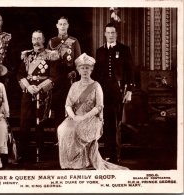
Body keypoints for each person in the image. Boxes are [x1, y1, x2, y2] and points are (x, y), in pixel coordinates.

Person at [57, 53, 128, 170]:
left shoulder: (96, 86)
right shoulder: (74, 86)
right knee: (63, 128)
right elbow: (68, 105)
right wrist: (74, 116)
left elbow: (99, 107)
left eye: (87, 68)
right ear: (78, 70)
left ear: (91, 70)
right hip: (75, 117)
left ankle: (82, 162)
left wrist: (83, 118)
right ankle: (69, 162)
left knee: (76, 130)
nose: (84, 71)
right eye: (82, 68)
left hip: (91, 118)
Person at [91, 22, 134, 163]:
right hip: (103, 92)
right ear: (104, 34)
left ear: (116, 34)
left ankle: (117, 155)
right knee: (106, 122)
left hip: (118, 92)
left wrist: (130, 91)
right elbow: (96, 74)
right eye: (108, 32)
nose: (110, 35)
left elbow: (130, 72)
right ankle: (108, 154)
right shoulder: (100, 51)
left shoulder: (124, 49)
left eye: (113, 32)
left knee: (116, 123)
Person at [17, 30, 59, 161]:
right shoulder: (26, 55)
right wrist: (28, 87)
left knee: (40, 123)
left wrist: (39, 88)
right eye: (34, 38)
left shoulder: (51, 55)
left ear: (44, 40)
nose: (36, 41)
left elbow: (54, 77)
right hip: (28, 92)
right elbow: (20, 74)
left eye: (39, 38)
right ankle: (23, 153)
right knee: (24, 122)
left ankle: (40, 153)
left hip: (43, 93)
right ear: (31, 40)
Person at [47, 16, 81, 129]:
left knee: (68, 108)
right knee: (57, 109)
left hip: (68, 79)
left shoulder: (74, 41)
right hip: (56, 79)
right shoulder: (52, 41)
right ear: (57, 26)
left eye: (64, 24)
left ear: (68, 26)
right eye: (60, 24)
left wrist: (74, 72)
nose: (62, 26)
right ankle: (58, 138)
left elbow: (78, 61)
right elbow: (47, 62)